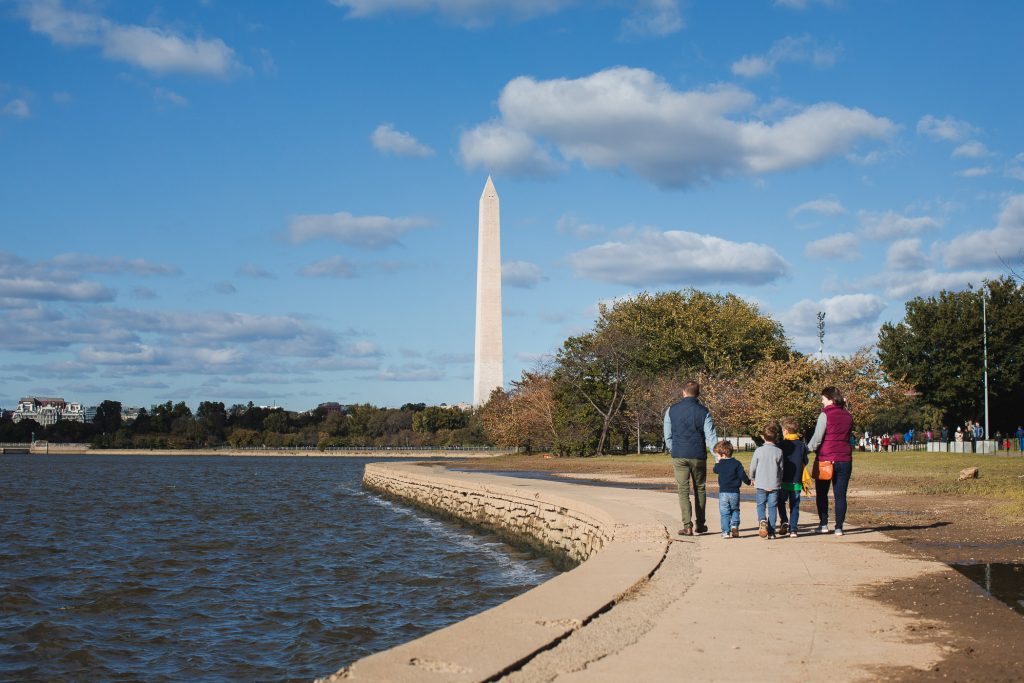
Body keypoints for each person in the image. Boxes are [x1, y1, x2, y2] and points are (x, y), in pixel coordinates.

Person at [664, 380, 718, 536]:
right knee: (700, 489)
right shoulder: (704, 411)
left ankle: (687, 525)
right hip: (698, 455)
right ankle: (700, 525)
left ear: (683, 392)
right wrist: (717, 457)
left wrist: (673, 449)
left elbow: (667, 435)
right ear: (698, 393)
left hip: (679, 454)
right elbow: (711, 437)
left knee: (683, 490)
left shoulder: (671, 410)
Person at [807, 387, 854, 537]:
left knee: (822, 493)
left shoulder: (825, 414)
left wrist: (807, 449)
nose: (822, 401)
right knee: (840, 495)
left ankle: (824, 523)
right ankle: (839, 527)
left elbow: (818, 437)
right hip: (844, 458)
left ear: (830, 399)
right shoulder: (848, 415)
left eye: (823, 399)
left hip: (826, 458)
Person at [750, 423, 783, 539]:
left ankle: (762, 520)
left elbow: (753, 466)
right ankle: (772, 531)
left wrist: (752, 477)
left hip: (761, 483)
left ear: (763, 437)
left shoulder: (759, 451)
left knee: (760, 505)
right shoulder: (779, 452)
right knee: (773, 507)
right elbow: (781, 468)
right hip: (774, 484)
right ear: (776, 437)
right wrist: (779, 480)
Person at [777, 417, 810, 537]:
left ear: (785, 431)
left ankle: (784, 520)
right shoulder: (801, 445)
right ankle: (793, 529)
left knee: (780, 502)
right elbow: (805, 460)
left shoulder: (780, 445)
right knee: (794, 505)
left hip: (783, 480)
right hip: (796, 480)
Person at [712, 440, 749, 539]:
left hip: (723, 492)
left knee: (724, 512)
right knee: (735, 510)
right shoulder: (737, 463)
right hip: (735, 492)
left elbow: (715, 470)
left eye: (718, 456)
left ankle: (726, 532)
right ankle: (735, 525)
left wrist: (717, 462)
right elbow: (742, 475)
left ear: (723, 455)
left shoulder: (720, 464)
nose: (717, 458)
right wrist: (749, 482)